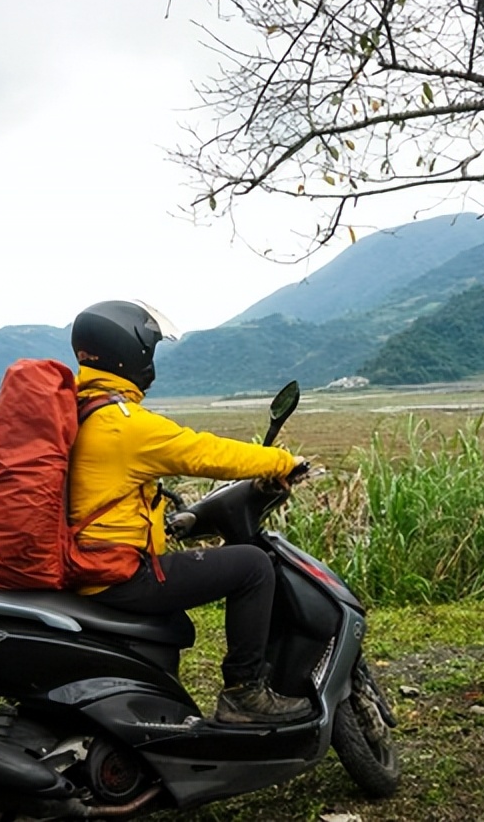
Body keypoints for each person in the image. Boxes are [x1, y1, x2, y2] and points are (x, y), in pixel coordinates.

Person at [67, 299, 313, 725]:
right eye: (149, 350)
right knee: (253, 566)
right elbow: (204, 452)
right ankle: (244, 693)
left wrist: (174, 523)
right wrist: (281, 462)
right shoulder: (123, 423)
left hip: (89, 566)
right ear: (129, 354)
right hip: (119, 575)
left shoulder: (79, 411)